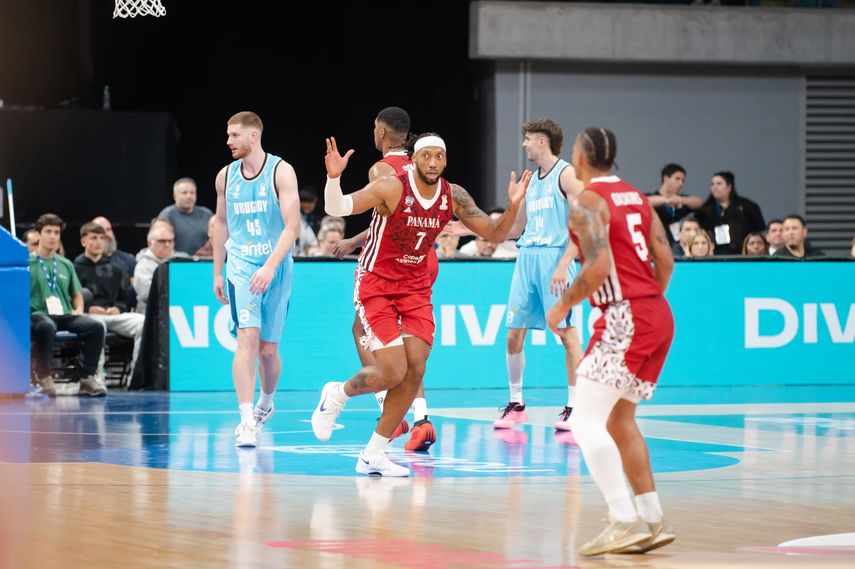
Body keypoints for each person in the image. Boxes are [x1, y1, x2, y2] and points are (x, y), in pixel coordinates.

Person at [312, 133, 531, 477]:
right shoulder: (391, 187)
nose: (432, 163)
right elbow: (336, 208)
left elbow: (495, 233)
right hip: (377, 284)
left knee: (415, 369)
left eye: (439, 157)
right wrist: (334, 177)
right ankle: (335, 396)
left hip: (415, 288)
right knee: (392, 371)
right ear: (413, 158)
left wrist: (514, 205)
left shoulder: (452, 194)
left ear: (445, 161)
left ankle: (373, 454)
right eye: (425, 156)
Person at [546, 127, 676, 557]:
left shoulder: (585, 201)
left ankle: (623, 521)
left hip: (626, 316)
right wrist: (647, 300)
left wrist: (560, 308)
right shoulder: (639, 197)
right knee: (620, 420)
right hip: (658, 313)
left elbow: (598, 266)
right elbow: (666, 261)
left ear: (580, 159)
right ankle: (652, 520)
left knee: (584, 422)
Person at [331, 108, 436, 452]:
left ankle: (389, 411)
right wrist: (354, 240)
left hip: (390, 266)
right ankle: (421, 418)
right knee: (410, 347)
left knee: (362, 333)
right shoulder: (421, 165)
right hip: (422, 259)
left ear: (380, 133)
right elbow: (398, 221)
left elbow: (380, 220)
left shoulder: (383, 169)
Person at [212, 111, 300, 448]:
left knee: (267, 351)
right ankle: (246, 419)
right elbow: (220, 223)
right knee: (246, 339)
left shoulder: (281, 171)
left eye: (234, 135)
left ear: (253, 136)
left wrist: (270, 266)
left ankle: (266, 401)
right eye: (228, 135)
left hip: (275, 266)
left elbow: (293, 226)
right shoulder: (225, 176)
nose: (228, 141)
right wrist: (218, 270)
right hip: (241, 265)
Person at [494, 119, 585, 433]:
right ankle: (516, 404)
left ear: (543, 142)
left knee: (566, 333)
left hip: (555, 259)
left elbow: (583, 227)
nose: (524, 144)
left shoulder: (567, 174)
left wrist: (564, 265)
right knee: (512, 335)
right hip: (526, 260)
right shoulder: (530, 180)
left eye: (528, 139)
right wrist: (471, 227)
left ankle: (576, 406)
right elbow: (516, 229)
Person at [30, 214, 107, 397]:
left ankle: (87, 378)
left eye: (56, 232)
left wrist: (79, 309)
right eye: (48, 232)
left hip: (64, 314)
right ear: (38, 234)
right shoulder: (27, 264)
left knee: (96, 326)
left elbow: (77, 294)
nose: (53, 236)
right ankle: (44, 377)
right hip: (37, 314)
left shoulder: (65, 264)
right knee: (46, 326)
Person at [74, 222, 145, 376]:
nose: (99, 242)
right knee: (96, 326)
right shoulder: (74, 268)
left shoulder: (115, 270)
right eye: (93, 238)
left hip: (113, 315)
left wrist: (118, 308)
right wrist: (88, 308)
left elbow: (125, 298)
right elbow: (70, 298)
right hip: (89, 316)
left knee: (142, 322)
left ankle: (136, 376)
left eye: (101, 238)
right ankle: (96, 376)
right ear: (83, 241)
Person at [695, 171, 765, 255]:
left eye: (719, 184)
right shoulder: (704, 211)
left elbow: (760, 231)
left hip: (742, 257)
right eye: (712, 184)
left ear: (729, 186)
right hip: (714, 257)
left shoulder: (748, 207)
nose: (715, 187)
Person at [134, 224, 187, 315]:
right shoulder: (143, 266)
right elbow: (149, 294)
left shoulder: (183, 261)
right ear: (150, 243)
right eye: (162, 241)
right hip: (150, 314)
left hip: (180, 311)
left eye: (170, 241)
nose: (167, 245)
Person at [645, 164, 703, 244]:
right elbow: (645, 201)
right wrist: (667, 200)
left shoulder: (681, 199)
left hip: (680, 246)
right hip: (658, 244)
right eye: (677, 179)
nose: (681, 183)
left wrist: (681, 200)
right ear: (666, 178)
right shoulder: (653, 196)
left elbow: (698, 202)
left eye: (683, 180)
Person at [157, 178, 214, 255]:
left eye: (192, 193)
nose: (189, 196)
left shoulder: (207, 214)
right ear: (175, 196)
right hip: (177, 262)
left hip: (203, 262)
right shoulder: (167, 215)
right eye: (184, 193)